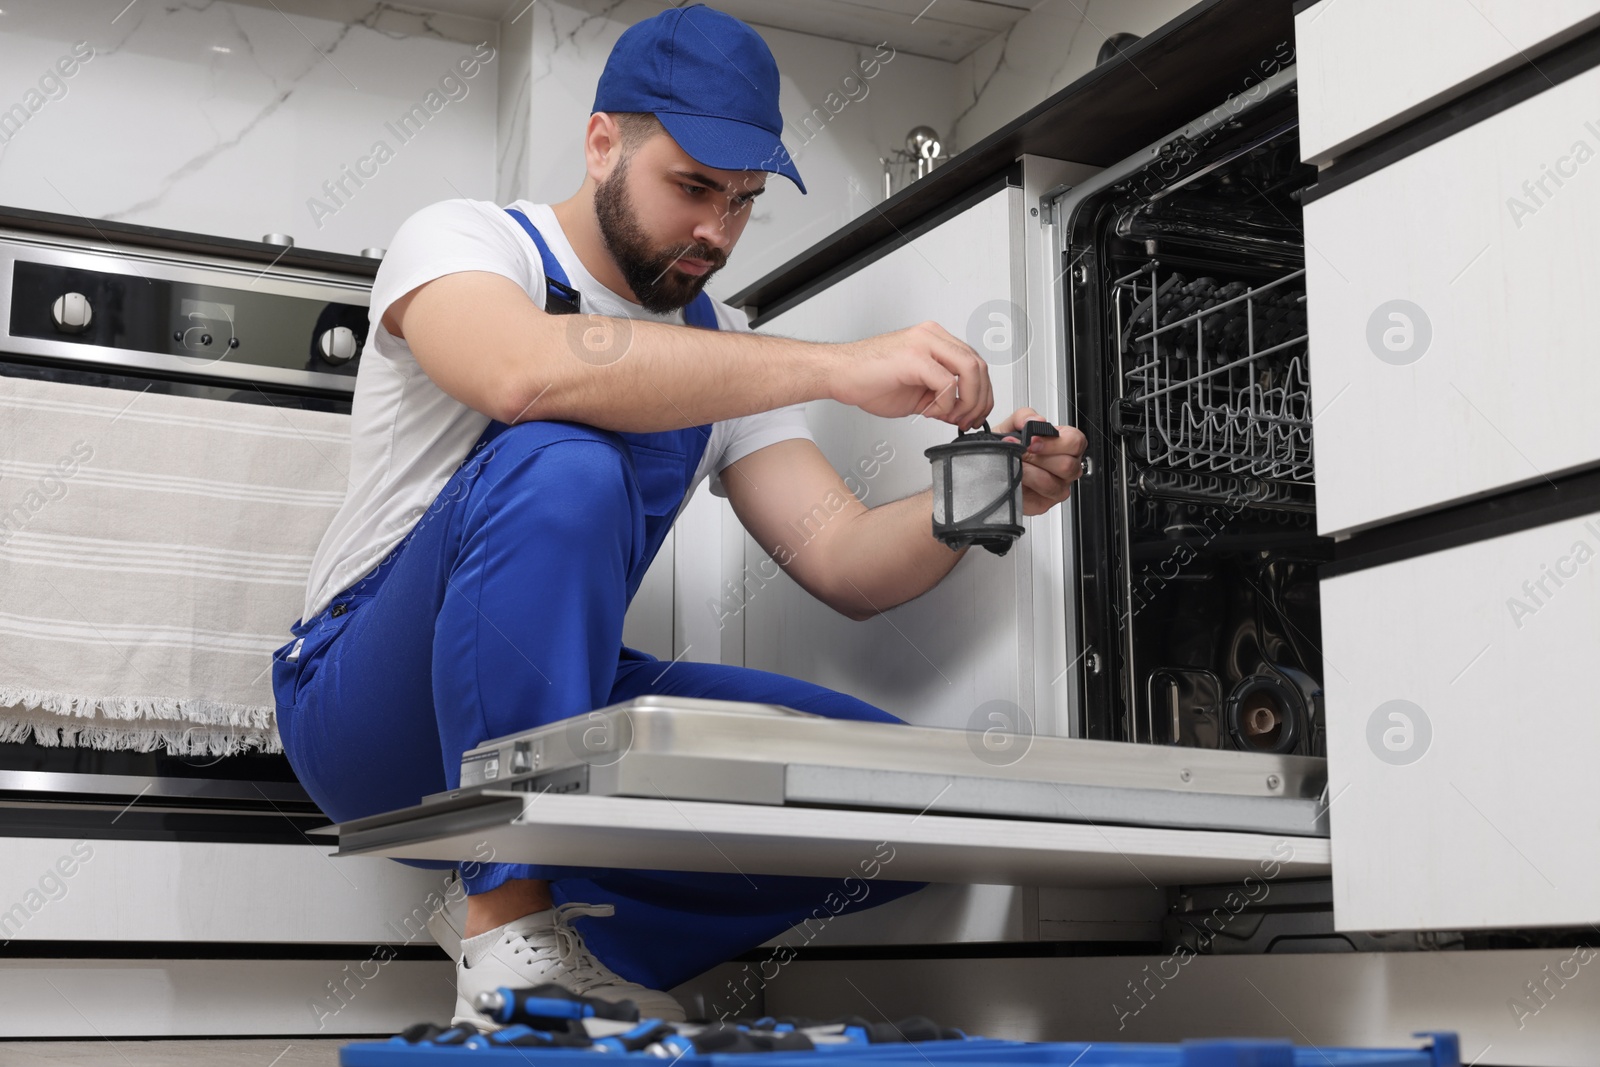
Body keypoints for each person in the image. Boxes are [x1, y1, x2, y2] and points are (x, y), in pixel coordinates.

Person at [271, 3, 1085, 1030]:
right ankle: (508, 928)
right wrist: (840, 367)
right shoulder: (471, 241)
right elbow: (522, 374)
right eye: (692, 187)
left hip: (555, 709)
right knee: (564, 459)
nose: (716, 229)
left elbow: (843, 559)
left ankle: (574, 959)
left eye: (742, 202)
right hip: (366, 706)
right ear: (603, 141)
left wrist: (989, 490)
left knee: (908, 793)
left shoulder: (724, 343)